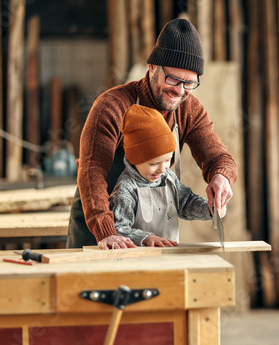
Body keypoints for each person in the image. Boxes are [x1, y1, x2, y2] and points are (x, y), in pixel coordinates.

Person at [67, 18, 237, 249]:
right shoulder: (111, 106)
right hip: (99, 228)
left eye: (189, 83)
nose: (180, 91)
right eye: (173, 79)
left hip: (154, 239)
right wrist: (106, 231)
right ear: (152, 68)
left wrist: (221, 177)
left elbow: (219, 158)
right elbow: (92, 171)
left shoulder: (189, 109)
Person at [106, 104, 225, 249]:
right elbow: (118, 228)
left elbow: (186, 203)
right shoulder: (126, 189)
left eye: (168, 160)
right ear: (134, 159)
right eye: (154, 163)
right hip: (137, 261)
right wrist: (146, 238)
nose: (162, 169)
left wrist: (209, 209)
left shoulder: (168, 177)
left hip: (169, 256)